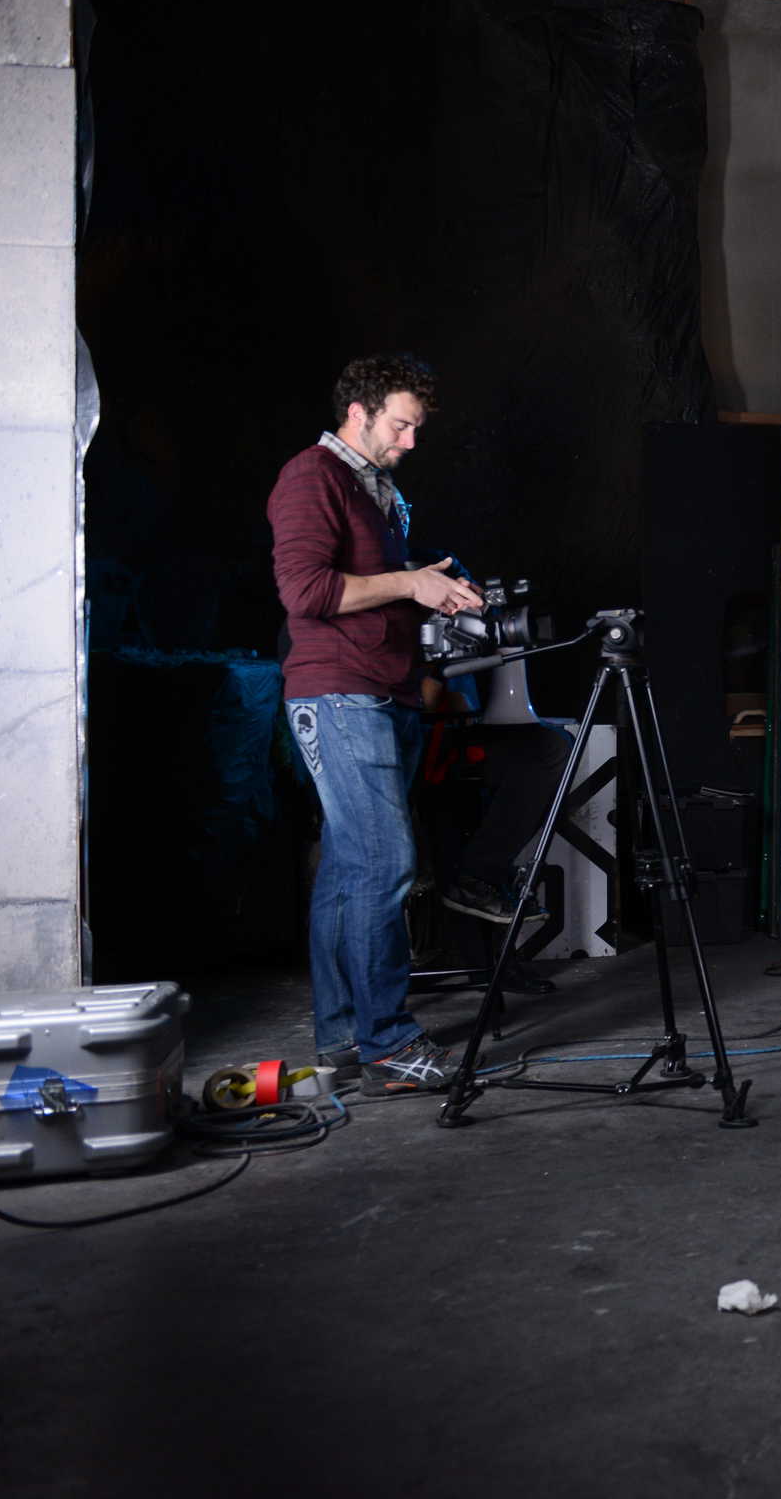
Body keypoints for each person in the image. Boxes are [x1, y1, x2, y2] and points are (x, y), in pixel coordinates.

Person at [269, 353, 483, 1093]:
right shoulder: (313, 476)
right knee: (385, 862)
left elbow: (373, 579)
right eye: (400, 425)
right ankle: (388, 1044)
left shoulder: (375, 486)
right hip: (338, 694)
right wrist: (409, 582)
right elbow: (305, 591)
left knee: (348, 869)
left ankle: (342, 1039)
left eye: (416, 427)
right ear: (357, 413)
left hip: (381, 693)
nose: (410, 441)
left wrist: (435, 581)